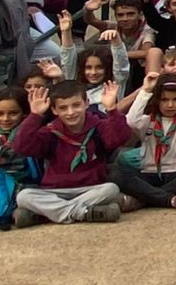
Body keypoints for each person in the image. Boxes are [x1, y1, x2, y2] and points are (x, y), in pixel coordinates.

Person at [10, 78, 132, 225]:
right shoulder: (51, 131)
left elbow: (118, 138)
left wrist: (112, 109)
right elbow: (22, 146)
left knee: (111, 189)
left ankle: (46, 215)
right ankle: (83, 213)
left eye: (76, 105)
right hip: (55, 191)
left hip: (90, 189)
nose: (70, 112)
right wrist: (35, 116)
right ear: (54, 110)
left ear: (86, 103)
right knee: (24, 196)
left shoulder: (98, 126)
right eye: (63, 108)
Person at [114, 72, 176, 210]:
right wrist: (146, 90)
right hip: (150, 174)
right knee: (116, 174)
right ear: (157, 100)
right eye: (164, 100)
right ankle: (170, 199)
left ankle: (144, 199)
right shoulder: (148, 121)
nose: (170, 105)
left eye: (175, 99)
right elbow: (131, 120)